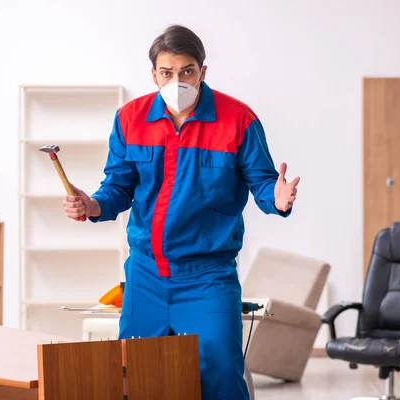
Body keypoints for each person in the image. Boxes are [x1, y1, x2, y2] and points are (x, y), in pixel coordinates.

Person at [62, 24, 300, 400]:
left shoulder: (239, 120)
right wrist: (92, 204)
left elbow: (264, 183)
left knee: (220, 372)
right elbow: (118, 186)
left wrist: (279, 196)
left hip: (208, 277)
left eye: (187, 71)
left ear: (203, 71)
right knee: (135, 376)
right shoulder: (129, 119)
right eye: (167, 72)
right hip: (146, 276)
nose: (178, 80)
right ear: (154, 74)